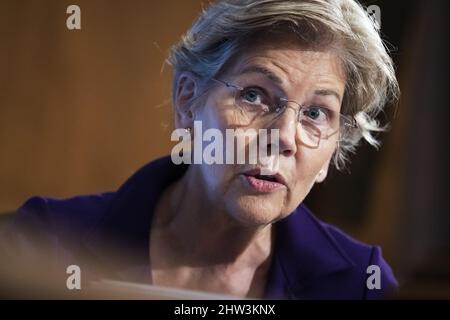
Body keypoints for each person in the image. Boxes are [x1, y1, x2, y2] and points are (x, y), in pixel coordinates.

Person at [1, 0, 399, 299]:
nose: (283, 136)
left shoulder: (360, 283)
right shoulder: (47, 241)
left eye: (316, 112)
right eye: (255, 95)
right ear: (188, 101)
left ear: (333, 148)